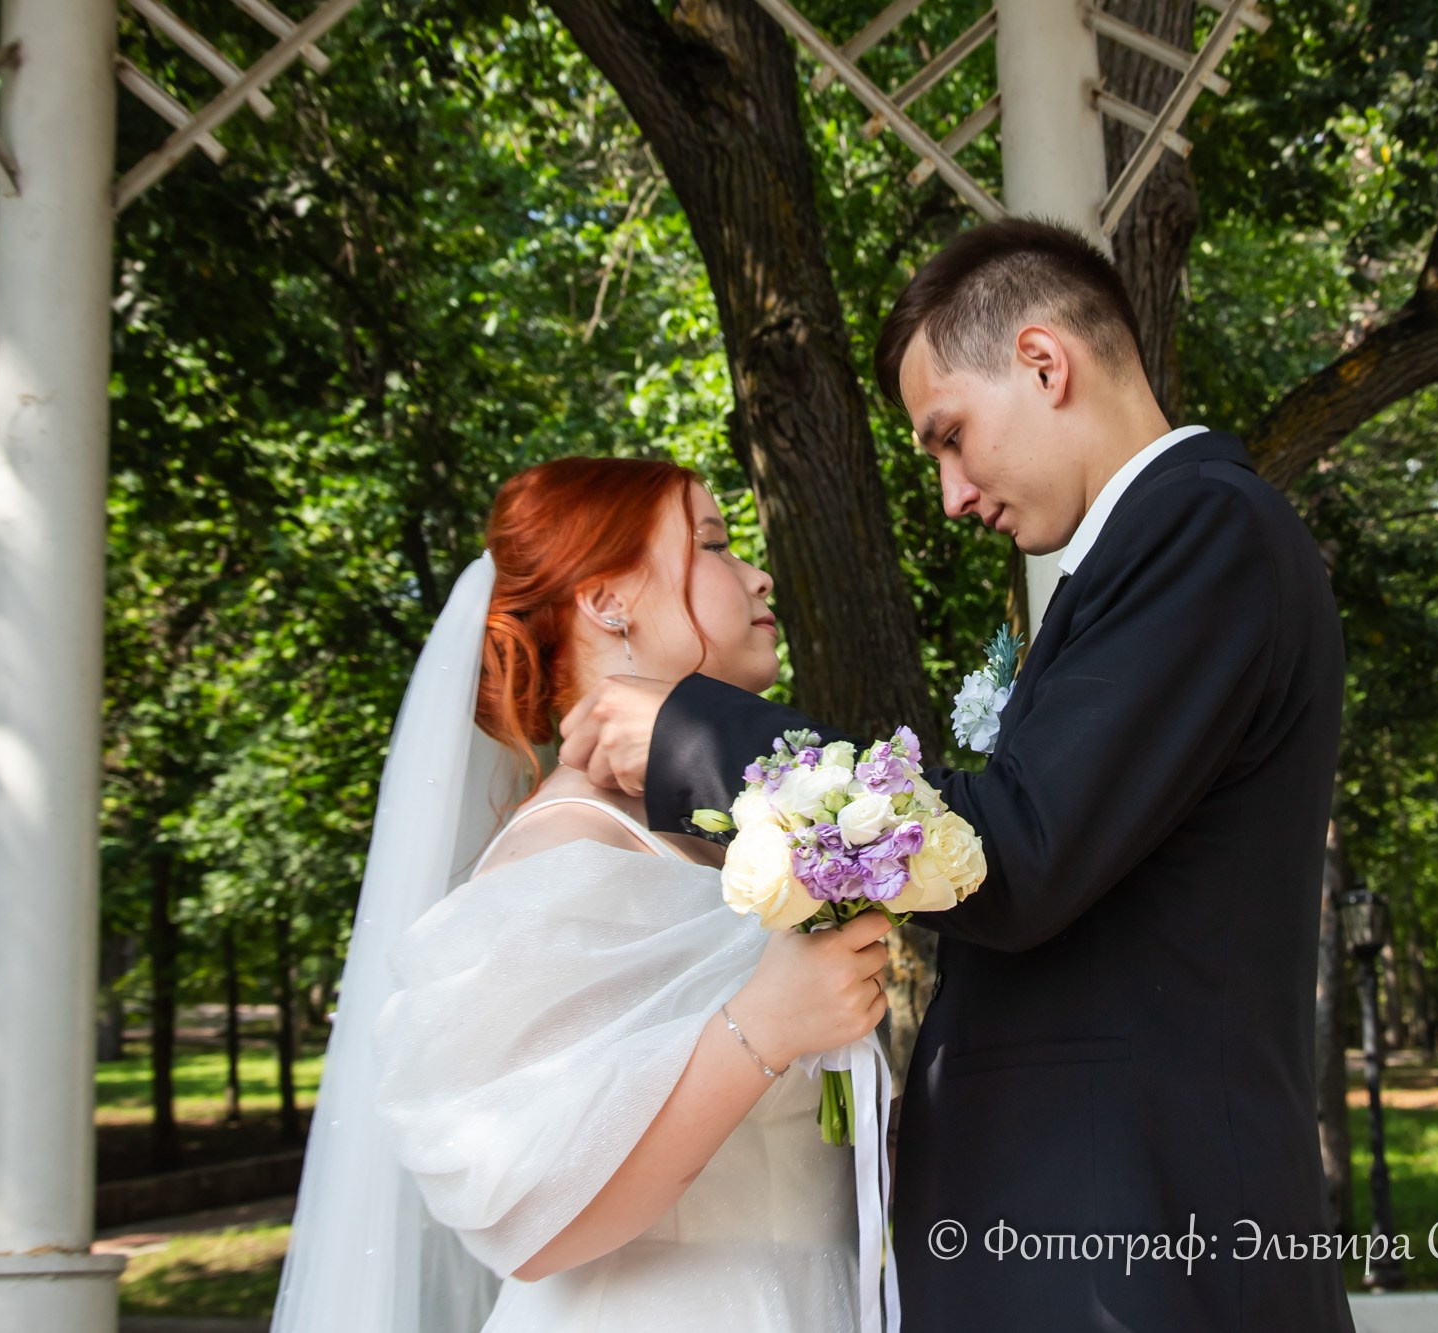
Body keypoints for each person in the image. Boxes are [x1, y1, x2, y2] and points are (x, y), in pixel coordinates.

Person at [559, 218, 1358, 1331]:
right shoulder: (1152, 553)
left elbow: (1018, 850)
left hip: (1135, 1247)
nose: (948, 494)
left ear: (1043, 362)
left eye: (947, 436)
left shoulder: (1203, 530)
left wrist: (697, 739)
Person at [268, 456, 899, 1333]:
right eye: (714, 543)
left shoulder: (724, 832)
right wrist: (768, 1023)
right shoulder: (561, 848)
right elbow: (527, 1216)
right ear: (608, 601)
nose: (757, 573)